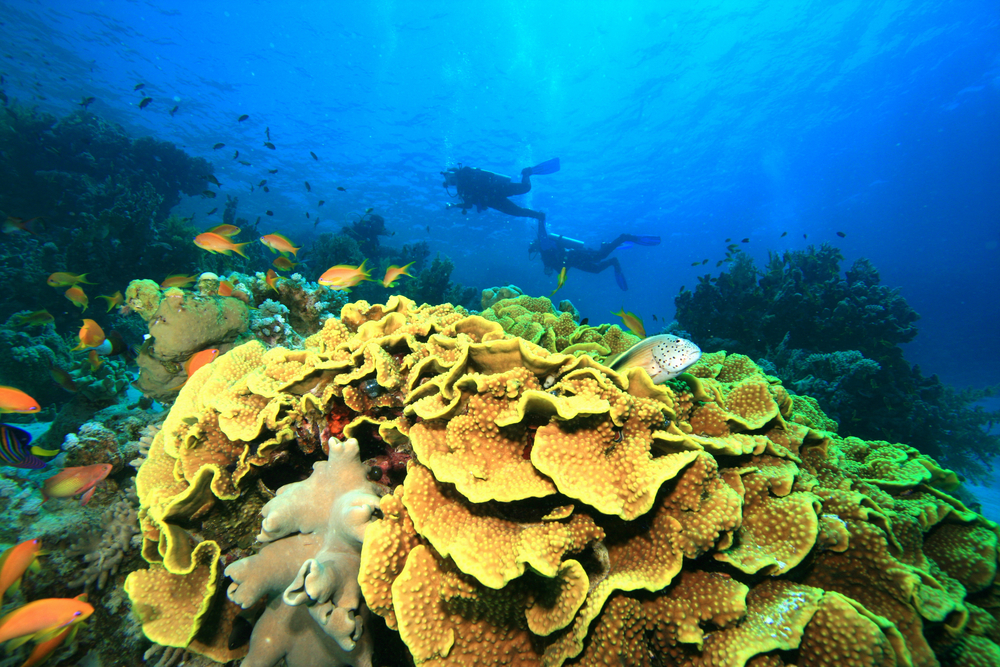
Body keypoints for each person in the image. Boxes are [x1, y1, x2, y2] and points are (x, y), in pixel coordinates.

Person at [529, 217, 660, 291]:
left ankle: (624, 237)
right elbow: (564, 267)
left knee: (600, 256)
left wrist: (541, 220)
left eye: (534, 245)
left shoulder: (545, 247)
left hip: (575, 255)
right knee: (597, 269)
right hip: (574, 262)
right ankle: (613, 260)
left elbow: (542, 235)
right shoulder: (546, 259)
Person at [442, 158, 560, 221]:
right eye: (450, 183)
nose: (452, 182)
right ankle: (538, 215)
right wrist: (454, 205)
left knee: (526, 188)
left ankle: (526, 173)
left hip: (497, 189)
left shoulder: (465, 173)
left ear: (453, 173)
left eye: (451, 179)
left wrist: (457, 174)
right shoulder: (461, 191)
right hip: (493, 202)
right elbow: (468, 205)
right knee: (517, 212)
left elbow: (469, 171)